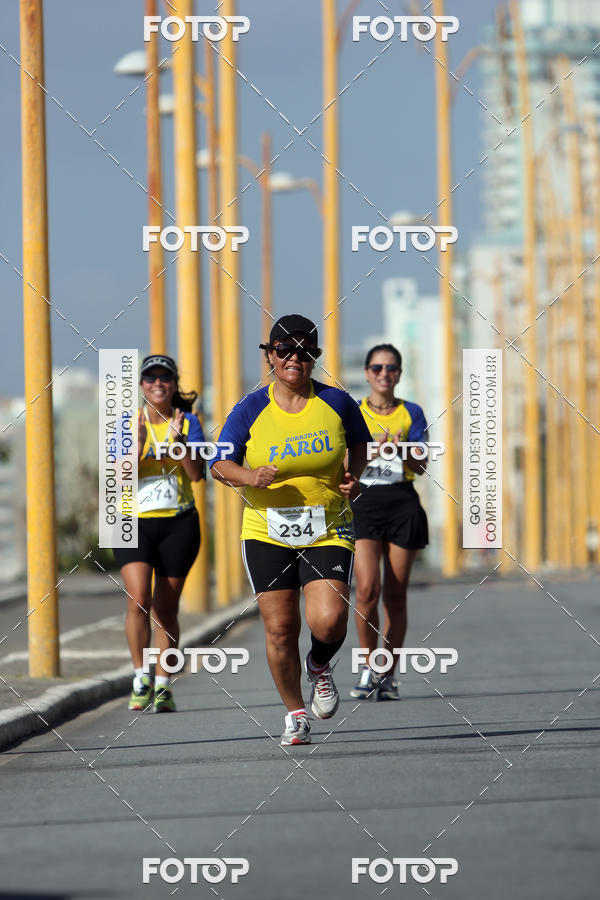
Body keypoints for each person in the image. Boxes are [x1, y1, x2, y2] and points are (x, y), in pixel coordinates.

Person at [211, 315, 371, 745]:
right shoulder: (249, 409)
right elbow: (219, 465)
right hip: (266, 530)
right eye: (285, 350)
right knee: (280, 628)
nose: (294, 358)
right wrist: (249, 477)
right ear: (270, 356)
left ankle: (319, 665)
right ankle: (295, 713)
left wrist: (353, 477)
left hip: (327, 525)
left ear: (314, 358)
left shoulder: (338, 403)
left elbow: (360, 444)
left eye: (304, 351)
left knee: (330, 617)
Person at [113, 354, 205, 713]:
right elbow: (118, 479)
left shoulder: (189, 421)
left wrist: (180, 441)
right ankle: (140, 677)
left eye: (164, 378)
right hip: (132, 522)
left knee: (166, 609)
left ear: (173, 384)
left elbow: (197, 474)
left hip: (178, 524)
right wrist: (137, 447)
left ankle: (164, 684)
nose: (157, 384)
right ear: (141, 386)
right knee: (138, 599)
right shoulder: (126, 424)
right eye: (150, 378)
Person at [350, 343, 429, 701]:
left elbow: (422, 465)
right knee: (367, 591)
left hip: (401, 503)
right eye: (378, 368)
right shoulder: (353, 413)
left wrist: (401, 450)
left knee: (395, 595)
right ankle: (368, 666)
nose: (385, 374)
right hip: (364, 502)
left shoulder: (412, 412)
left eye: (391, 368)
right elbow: (342, 461)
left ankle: (387, 673)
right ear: (367, 373)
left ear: (399, 374)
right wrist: (371, 452)